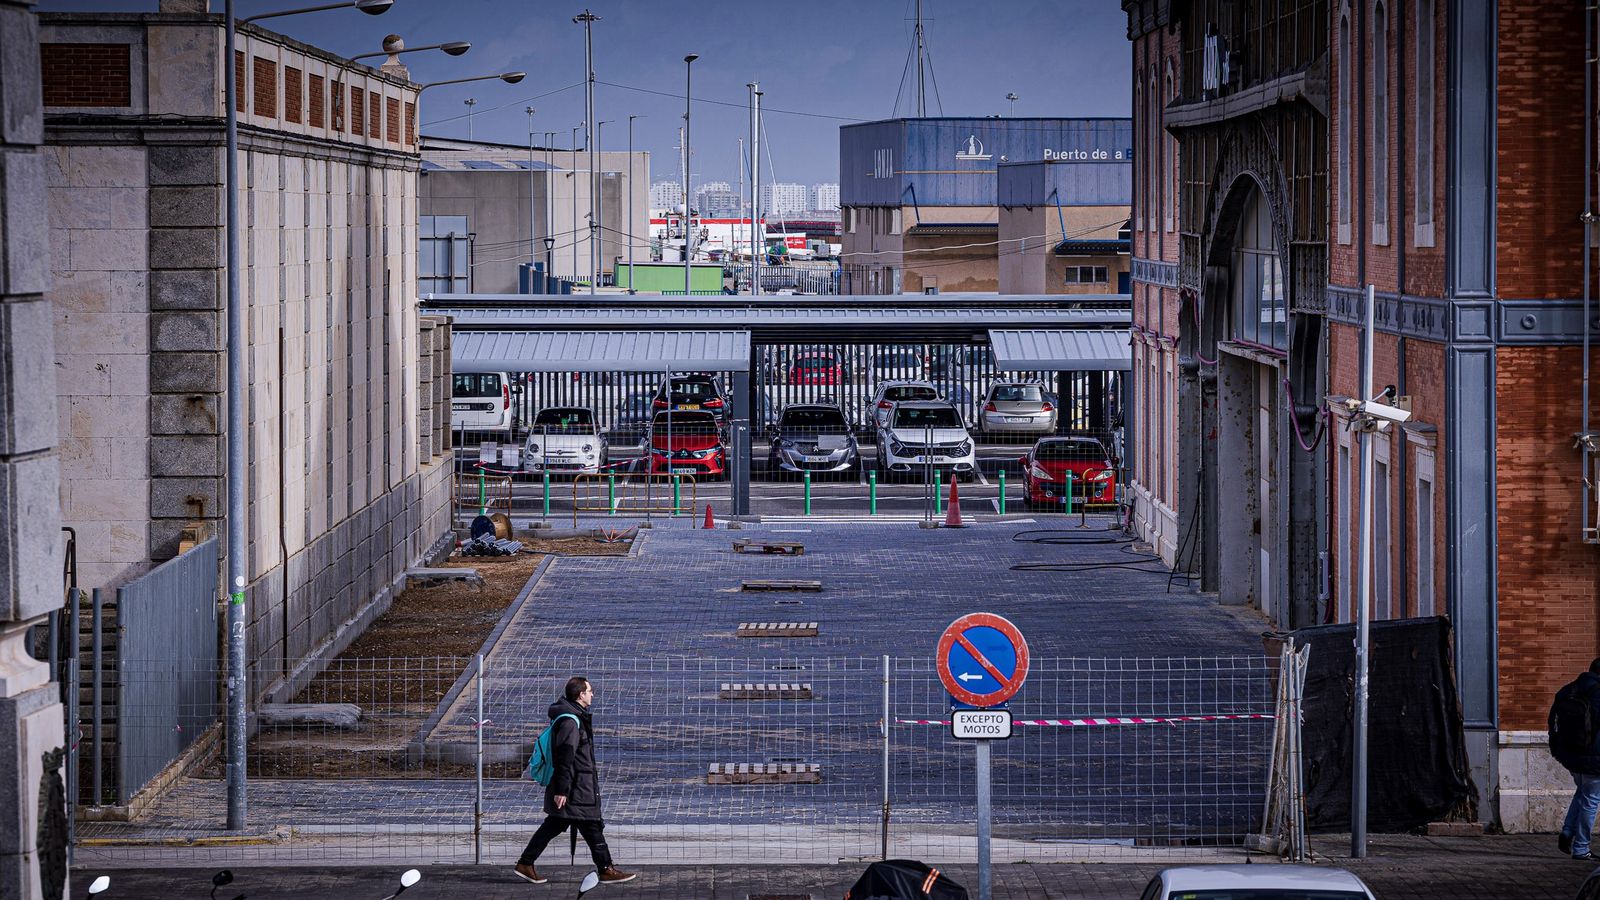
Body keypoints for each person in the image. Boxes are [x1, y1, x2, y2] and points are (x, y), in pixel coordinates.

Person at [513, 676, 637, 885]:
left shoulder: (573, 716)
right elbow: (566, 757)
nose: (592, 694)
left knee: (560, 824)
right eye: (589, 691)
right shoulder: (571, 721)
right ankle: (605, 869)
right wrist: (561, 790)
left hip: (577, 785)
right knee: (591, 825)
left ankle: (526, 863)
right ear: (581, 695)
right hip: (575, 787)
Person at [1551, 658, 1600, 860]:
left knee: (1582, 792)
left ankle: (1568, 831)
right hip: (1594, 759)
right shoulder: (1598, 694)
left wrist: (1558, 751)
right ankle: (1581, 848)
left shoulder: (1566, 691)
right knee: (1591, 800)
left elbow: (1552, 723)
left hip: (1570, 756)